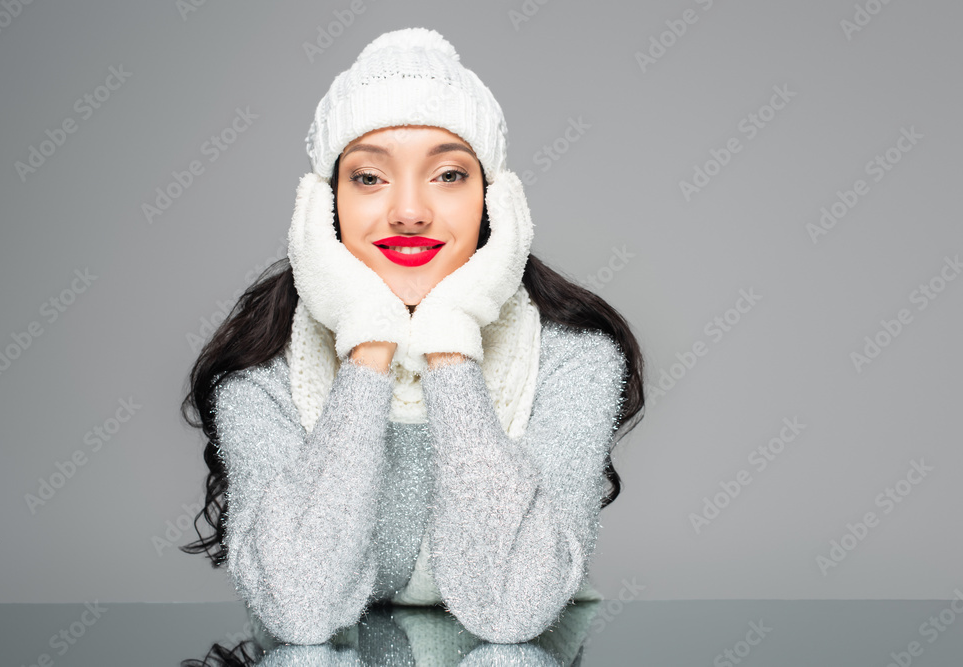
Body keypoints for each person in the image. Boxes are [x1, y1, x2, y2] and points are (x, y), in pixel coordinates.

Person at [180, 27, 645, 646]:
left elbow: (513, 608)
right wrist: (368, 345)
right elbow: (299, 608)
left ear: (496, 203)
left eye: (448, 175)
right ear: (322, 206)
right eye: (369, 178)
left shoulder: (575, 357)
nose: (408, 211)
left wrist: (450, 342)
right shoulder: (260, 367)